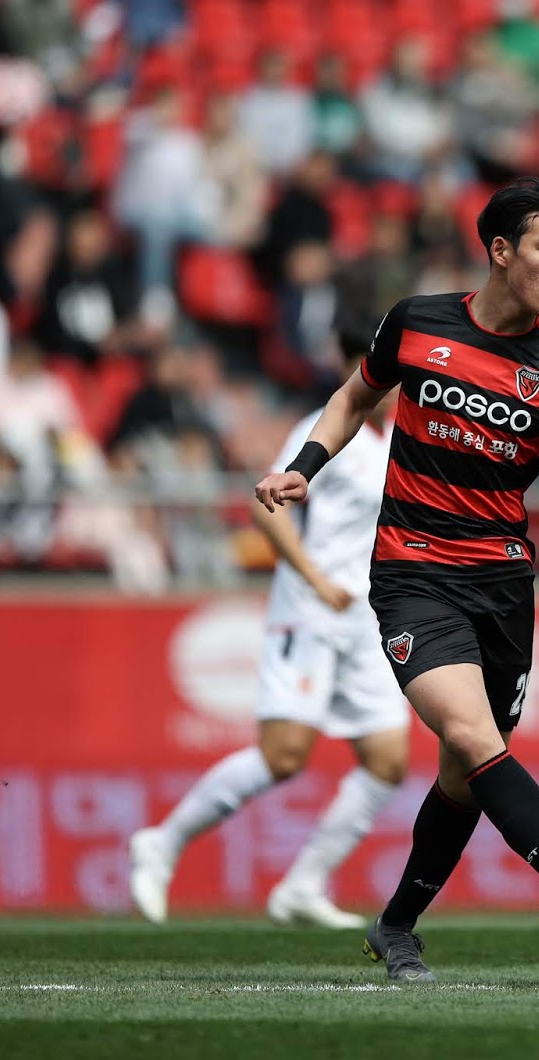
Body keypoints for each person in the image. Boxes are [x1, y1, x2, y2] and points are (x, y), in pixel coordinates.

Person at [253, 179, 539, 983]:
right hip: (412, 570)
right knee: (475, 740)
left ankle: (397, 927)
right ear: (501, 250)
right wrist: (302, 469)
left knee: (462, 774)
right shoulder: (416, 322)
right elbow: (348, 401)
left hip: (503, 586)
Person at [128, 332, 408, 929]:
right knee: (283, 757)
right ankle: (163, 841)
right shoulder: (326, 427)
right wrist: (312, 578)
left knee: (386, 760)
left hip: (368, 615)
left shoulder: (403, 436)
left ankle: (303, 886)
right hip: (311, 608)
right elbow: (266, 504)